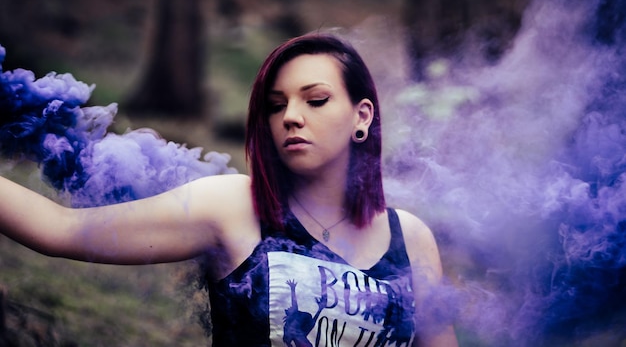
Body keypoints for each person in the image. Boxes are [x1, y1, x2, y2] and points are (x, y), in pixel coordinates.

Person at [0, 33, 458, 346]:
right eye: (276, 106)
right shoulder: (236, 206)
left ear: (362, 115)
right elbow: (61, 229)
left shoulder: (412, 239)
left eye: (315, 100)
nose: (291, 117)